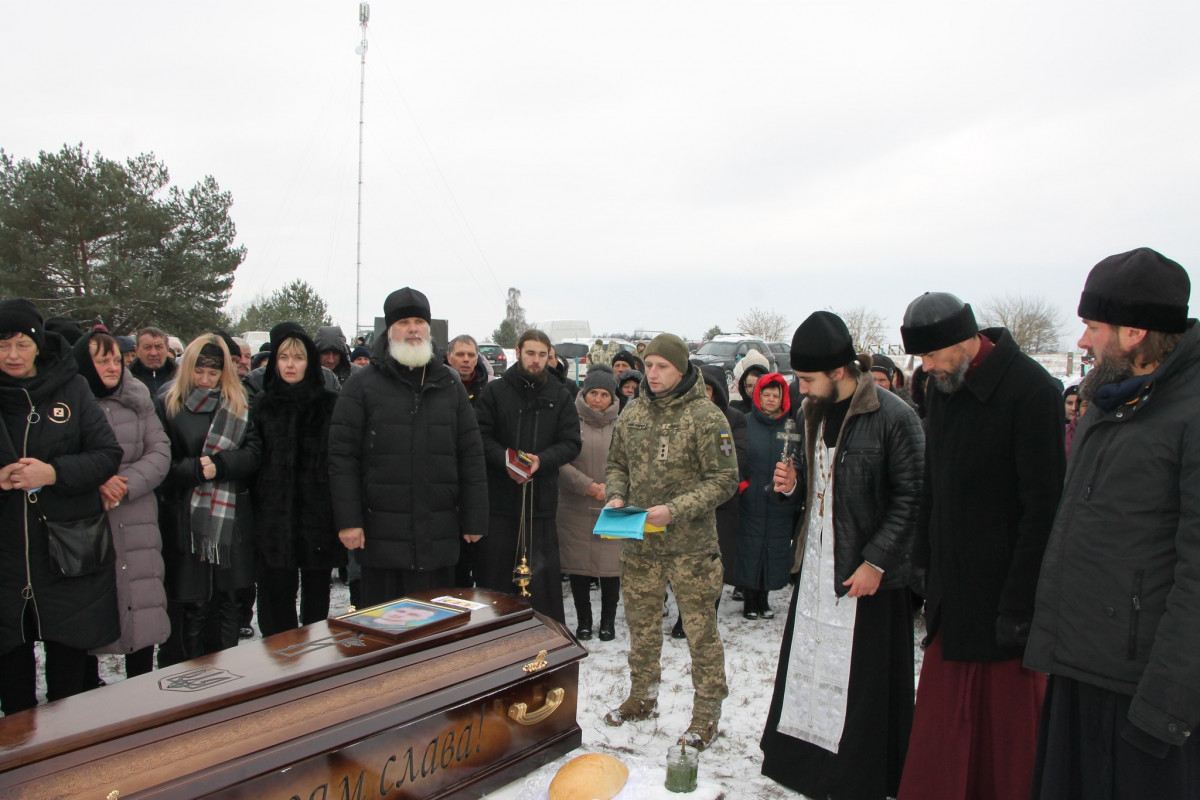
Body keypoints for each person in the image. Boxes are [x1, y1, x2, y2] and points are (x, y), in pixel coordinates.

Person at [1025, 248, 1200, 798]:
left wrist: (1165, 704)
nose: (1082, 342)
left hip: (1144, 691)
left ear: (1134, 333)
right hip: (1083, 670)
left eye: (1092, 327)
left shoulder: (1190, 413)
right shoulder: (1111, 400)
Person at [896, 292, 1065, 800]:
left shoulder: (1031, 390)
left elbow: (1043, 509)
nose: (925, 368)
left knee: (1007, 737)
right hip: (955, 595)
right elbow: (934, 486)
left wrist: (1020, 603)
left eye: (930, 356)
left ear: (962, 341)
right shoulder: (945, 385)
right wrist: (923, 558)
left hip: (1003, 599)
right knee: (945, 732)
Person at [761, 311, 924, 800]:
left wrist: (876, 561)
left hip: (868, 574)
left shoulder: (895, 417)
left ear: (839, 371)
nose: (801, 389)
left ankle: (858, 775)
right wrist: (790, 490)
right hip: (816, 570)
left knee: (865, 685)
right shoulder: (809, 412)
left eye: (808, 379)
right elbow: (817, 492)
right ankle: (806, 767)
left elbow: (912, 498)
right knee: (808, 671)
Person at [602, 334, 738, 750]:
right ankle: (642, 697)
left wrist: (674, 510)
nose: (653, 373)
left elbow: (724, 480)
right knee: (641, 628)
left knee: (700, 633)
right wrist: (616, 494)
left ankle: (706, 714)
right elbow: (616, 463)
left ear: (681, 368)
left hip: (691, 549)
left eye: (662, 365)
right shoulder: (633, 412)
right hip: (640, 544)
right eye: (649, 365)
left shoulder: (706, 416)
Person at [328, 288, 488, 607]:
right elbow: (342, 458)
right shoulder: (362, 385)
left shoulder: (449, 384)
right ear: (390, 331)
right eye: (404, 322)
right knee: (387, 636)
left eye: (419, 321)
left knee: (436, 632)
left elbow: (470, 454)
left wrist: (475, 518)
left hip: (438, 536)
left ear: (428, 329)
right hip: (381, 538)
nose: (413, 329)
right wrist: (349, 520)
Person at [0, 300, 123, 713]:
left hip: (67, 554)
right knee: (14, 692)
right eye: (2, 345)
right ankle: (19, 767)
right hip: (6, 559)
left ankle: (68, 771)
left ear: (38, 344)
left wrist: (52, 473)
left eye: (21, 343)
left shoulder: (71, 387)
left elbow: (107, 454)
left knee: (68, 691)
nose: (12, 355)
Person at [156, 334, 260, 664]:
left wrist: (222, 465)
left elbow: (254, 452)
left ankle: (224, 677)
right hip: (185, 518)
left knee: (229, 601)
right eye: (199, 372)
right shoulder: (169, 405)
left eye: (213, 374)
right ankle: (188, 679)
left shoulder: (239, 404)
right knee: (192, 604)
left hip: (231, 519)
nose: (205, 380)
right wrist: (196, 471)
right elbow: (161, 462)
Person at [72, 331, 170, 679]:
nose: (112, 367)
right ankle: (86, 688)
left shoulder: (138, 399)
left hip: (136, 514)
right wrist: (97, 480)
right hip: (89, 518)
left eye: (116, 359)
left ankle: (140, 689)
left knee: (141, 603)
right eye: (103, 360)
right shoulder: (70, 405)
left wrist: (124, 485)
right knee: (89, 609)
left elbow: (159, 452)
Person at [475, 330, 581, 622]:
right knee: (496, 583)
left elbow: (572, 443)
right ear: (519, 352)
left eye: (542, 355)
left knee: (541, 584)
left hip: (540, 504)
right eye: (530, 353)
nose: (536, 360)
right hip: (500, 503)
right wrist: (507, 460)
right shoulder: (495, 392)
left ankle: (542, 641)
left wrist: (542, 460)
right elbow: (480, 437)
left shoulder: (560, 395)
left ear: (550, 357)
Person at [249, 323, 345, 637]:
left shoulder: (329, 404)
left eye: (299, 358)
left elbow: (339, 459)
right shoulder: (262, 405)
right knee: (276, 594)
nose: (291, 364)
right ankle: (279, 657)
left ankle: (313, 655)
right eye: (284, 357)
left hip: (317, 514)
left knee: (316, 593)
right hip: (273, 516)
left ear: (310, 362)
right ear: (275, 361)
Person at [557, 365, 623, 641]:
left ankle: (608, 621)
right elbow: (559, 459)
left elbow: (631, 463)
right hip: (575, 505)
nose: (597, 399)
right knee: (579, 568)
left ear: (612, 397)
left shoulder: (624, 424)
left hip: (613, 505)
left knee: (611, 570)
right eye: (593, 392)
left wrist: (614, 488)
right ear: (584, 393)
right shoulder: (568, 420)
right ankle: (584, 621)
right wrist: (586, 485)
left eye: (604, 394)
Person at [732, 373, 795, 620]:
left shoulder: (791, 426)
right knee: (750, 547)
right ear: (757, 396)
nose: (770, 399)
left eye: (775, 395)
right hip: (751, 498)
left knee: (773, 547)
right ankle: (750, 599)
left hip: (779, 501)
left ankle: (764, 598)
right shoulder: (745, 422)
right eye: (766, 395)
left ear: (783, 399)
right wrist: (743, 485)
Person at [129, 326, 177, 396]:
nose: (153, 353)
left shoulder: (181, 377)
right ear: (137, 350)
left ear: (167, 348)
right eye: (147, 348)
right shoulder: (126, 378)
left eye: (158, 347)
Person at [445, 334, 489, 404]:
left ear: (476, 359)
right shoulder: (436, 388)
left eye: (471, 355)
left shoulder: (488, 391)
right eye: (460, 354)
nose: (466, 359)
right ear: (449, 358)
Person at [730, 348, 770, 413]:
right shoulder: (735, 408)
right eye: (749, 386)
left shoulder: (773, 407)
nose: (753, 389)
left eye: (758, 385)